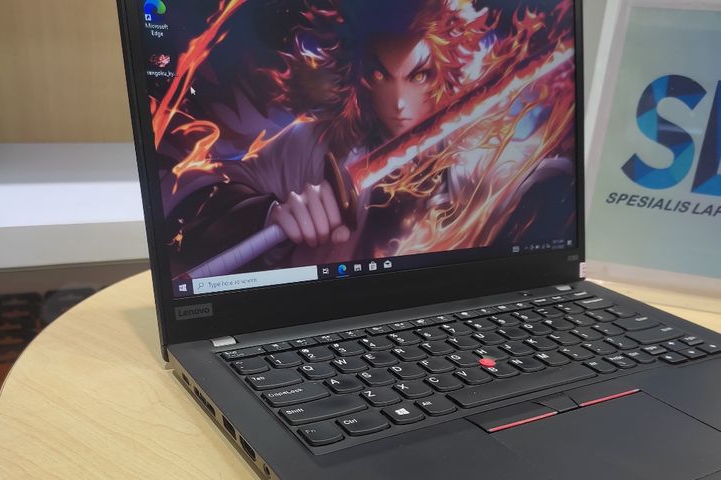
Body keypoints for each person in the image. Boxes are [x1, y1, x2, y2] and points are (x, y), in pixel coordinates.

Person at [167, 0, 574, 276]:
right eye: (380, 75)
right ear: (358, 78)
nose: (398, 103)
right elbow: (196, 208)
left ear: (445, 73)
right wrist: (268, 216)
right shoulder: (311, 145)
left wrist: (553, 191)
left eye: (419, 75)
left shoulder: (480, 156)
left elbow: (535, 184)